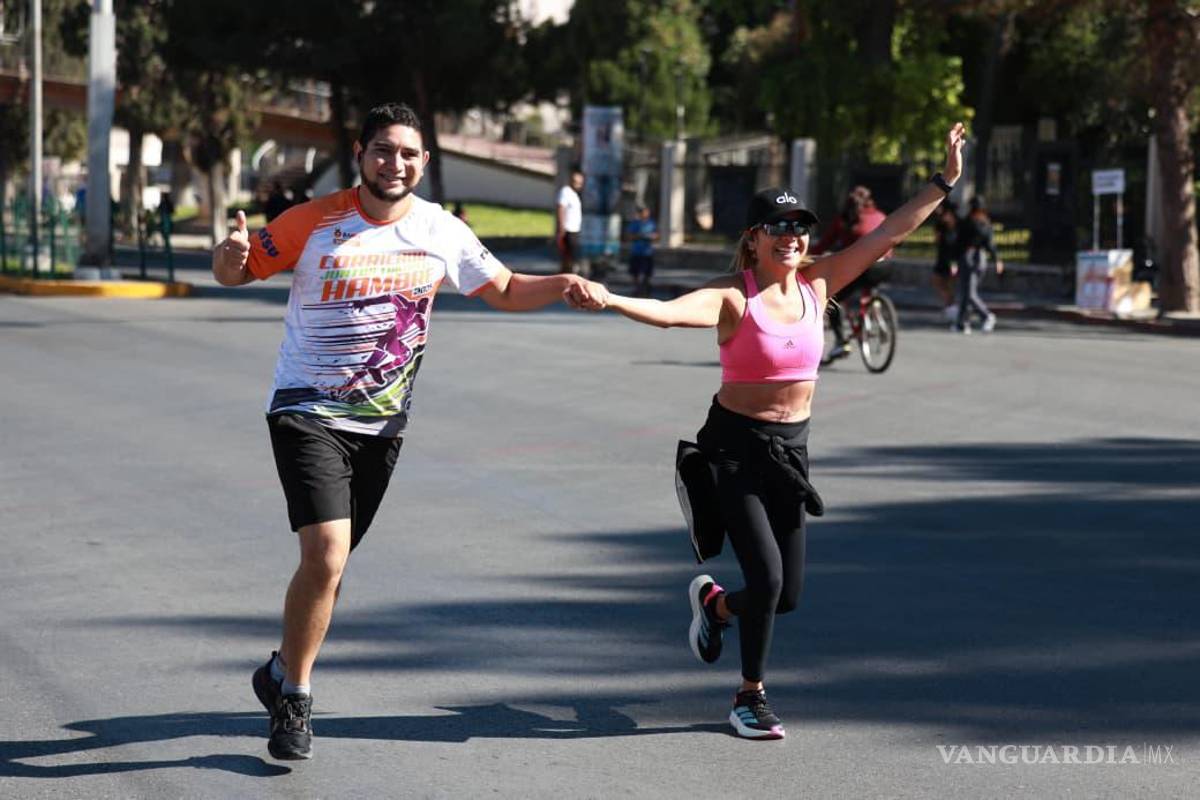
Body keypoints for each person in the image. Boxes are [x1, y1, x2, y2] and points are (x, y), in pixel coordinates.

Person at [211, 102, 601, 761]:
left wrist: (561, 282)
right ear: (360, 154)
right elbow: (238, 271)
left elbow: (502, 288)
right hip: (306, 409)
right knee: (326, 554)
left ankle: (280, 668)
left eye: (409, 154)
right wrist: (227, 257)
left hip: (383, 424)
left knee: (331, 570)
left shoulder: (439, 230)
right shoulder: (314, 221)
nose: (396, 163)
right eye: (384, 150)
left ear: (424, 163)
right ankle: (296, 701)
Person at [567, 124, 966, 740]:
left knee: (787, 597)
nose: (792, 237)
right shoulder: (734, 297)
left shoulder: (820, 281)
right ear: (753, 239)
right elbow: (673, 315)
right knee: (769, 577)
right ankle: (749, 696)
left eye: (799, 228)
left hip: (791, 450)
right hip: (733, 448)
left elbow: (891, 231)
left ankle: (715, 606)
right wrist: (612, 299)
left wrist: (943, 181)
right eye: (778, 228)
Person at [809, 185, 890, 360]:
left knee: (832, 297)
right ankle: (873, 306)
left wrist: (807, 257)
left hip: (863, 268)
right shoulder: (880, 216)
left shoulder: (847, 220)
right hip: (886, 267)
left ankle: (841, 342)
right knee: (867, 284)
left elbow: (824, 245)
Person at [953, 195, 1004, 334]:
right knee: (966, 291)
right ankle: (961, 323)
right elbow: (990, 244)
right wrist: (997, 260)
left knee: (968, 292)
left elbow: (958, 243)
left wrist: (997, 259)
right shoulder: (985, 223)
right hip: (979, 258)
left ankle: (986, 315)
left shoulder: (969, 222)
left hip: (969, 257)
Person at [932, 200, 959, 320]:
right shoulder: (944, 223)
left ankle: (951, 307)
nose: (936, 210)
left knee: (942, 282)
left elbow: (938, 240)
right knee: (944, 283)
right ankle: (950, 306)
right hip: (945, 257)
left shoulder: (946, 223)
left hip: (948, 258)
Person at [625, 204, 658, 296]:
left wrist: (651, 237)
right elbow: (629, 236)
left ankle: (645, 289)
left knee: (647, 273)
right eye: (643, 212)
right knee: (635, 273)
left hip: (647, 253)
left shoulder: (651, 223)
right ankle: (637, 289)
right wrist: (639, 236)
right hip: (636, 252)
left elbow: (656, 235)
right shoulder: (635, 223)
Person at [556, 169, 584, 274]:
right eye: (576, 182)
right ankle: (566, 277)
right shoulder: (565, 191)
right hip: (568, 230)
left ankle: (568, 275)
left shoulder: (575, 194)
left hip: (575, 230)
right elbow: (561, 208)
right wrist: (562, 227)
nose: (578, 185)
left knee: (572, 257)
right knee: (568, 257)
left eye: (580, 183)